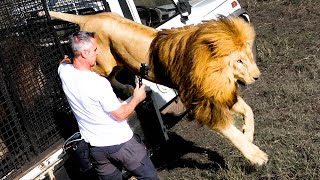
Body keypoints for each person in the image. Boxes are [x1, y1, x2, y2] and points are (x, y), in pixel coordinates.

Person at [58, 31, 159, 180]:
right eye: (95, 50)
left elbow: (63, 62)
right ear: (84, 53)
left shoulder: (64, 72)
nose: (98, 53)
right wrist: (137, 98)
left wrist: (67, 59)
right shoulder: (98, 83)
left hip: (97, 150)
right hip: (122, 144)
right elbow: (120, 114)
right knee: (149, 176)